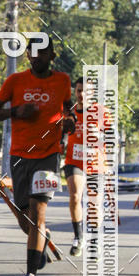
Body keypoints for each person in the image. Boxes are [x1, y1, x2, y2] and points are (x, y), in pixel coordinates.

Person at [0, 39, 74, 276]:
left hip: (48, 156)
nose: (36, 56)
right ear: (27, 55)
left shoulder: (62, 81)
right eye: (32, 52)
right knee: (28, 223)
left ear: (52, 55)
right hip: (19, 156)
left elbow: (70, 110)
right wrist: (16, 111)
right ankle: (42, 238)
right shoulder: (15, 81)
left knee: (38, 215)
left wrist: (69, 122)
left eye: (42, 52)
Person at [63, 76, 84, 256]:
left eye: (86, 91)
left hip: (95, 164)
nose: (82, 94)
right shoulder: (70, 112)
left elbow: (112, 140)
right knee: (75, 195)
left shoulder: (102, 113)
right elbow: (60, 130)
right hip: (73, 161)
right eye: (79, 90)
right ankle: (78, 237)